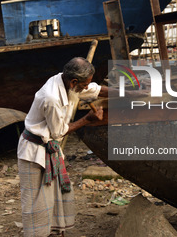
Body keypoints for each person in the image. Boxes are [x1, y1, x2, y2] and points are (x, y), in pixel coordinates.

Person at [17, 57, 106, 237]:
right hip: (33, 152)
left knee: (55, 196)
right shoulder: (51, 98)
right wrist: (87, 120)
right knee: (36, 202)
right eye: (84, 84)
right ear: (74, 82)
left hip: (49, 149)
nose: (86, 88)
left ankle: (55, 232)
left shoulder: (65, 80)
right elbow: (58, 133)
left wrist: (130, 93)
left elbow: (95, 89)